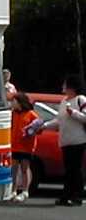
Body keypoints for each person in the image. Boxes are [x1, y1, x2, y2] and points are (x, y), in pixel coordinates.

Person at [41, 74, 86, 206]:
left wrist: (74, 113)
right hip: (65, 140)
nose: (63, 86)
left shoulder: (80, 99)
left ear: (72, 86)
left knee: (75, 169)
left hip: (78, 140)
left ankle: (77, 196)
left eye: (65, 84)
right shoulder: (63, 101)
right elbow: (59, 120)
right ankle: (66, 196)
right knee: (68, 169)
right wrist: (44, 125)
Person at [9, 92, 40, 202]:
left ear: (20, 102)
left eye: (14, 101)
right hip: (14, 145)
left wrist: (30, 130)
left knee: (24, 168)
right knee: (14, 169)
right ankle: (13, 190)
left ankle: (25, 191)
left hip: (26, 146)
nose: (12, 103)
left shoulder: (31, 114)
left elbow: (38, 125)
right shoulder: (13, 113)